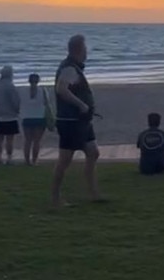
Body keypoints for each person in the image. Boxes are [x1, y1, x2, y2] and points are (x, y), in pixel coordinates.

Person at [51, 34, 102, 207]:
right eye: (85, 48)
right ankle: (56, 197)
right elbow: (61, 89)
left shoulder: (75, 68)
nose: (87, 52)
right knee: (65, 160)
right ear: (79, 50)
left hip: (83, 121)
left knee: (93, 152)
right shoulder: (69, 69)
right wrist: (81, 105)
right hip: (71, 121)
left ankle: (93, 193)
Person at [0, 65, 20, 165]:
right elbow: (14, 101)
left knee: (0, 137)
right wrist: (17, 110)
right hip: (10, 115)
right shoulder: (10, 86)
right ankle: (9, 158)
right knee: (10, 138)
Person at [20, 73, 51, 166]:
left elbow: (20, 102)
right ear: (38, 81)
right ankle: (34, 160)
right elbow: (47, 103)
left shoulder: (23, 91)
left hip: (27, 117)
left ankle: (26, 160)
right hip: (39, 117)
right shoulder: (43, 90)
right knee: (37, 141)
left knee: (27, 140)